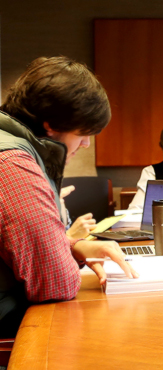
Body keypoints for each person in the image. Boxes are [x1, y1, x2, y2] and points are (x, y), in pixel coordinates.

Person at [0, 56, 137, 336]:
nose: (86, 143)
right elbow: (55, 283)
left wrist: (74, 246)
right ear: (51, 125)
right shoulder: (12, 165)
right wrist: (67, 253)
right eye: (83, 133)